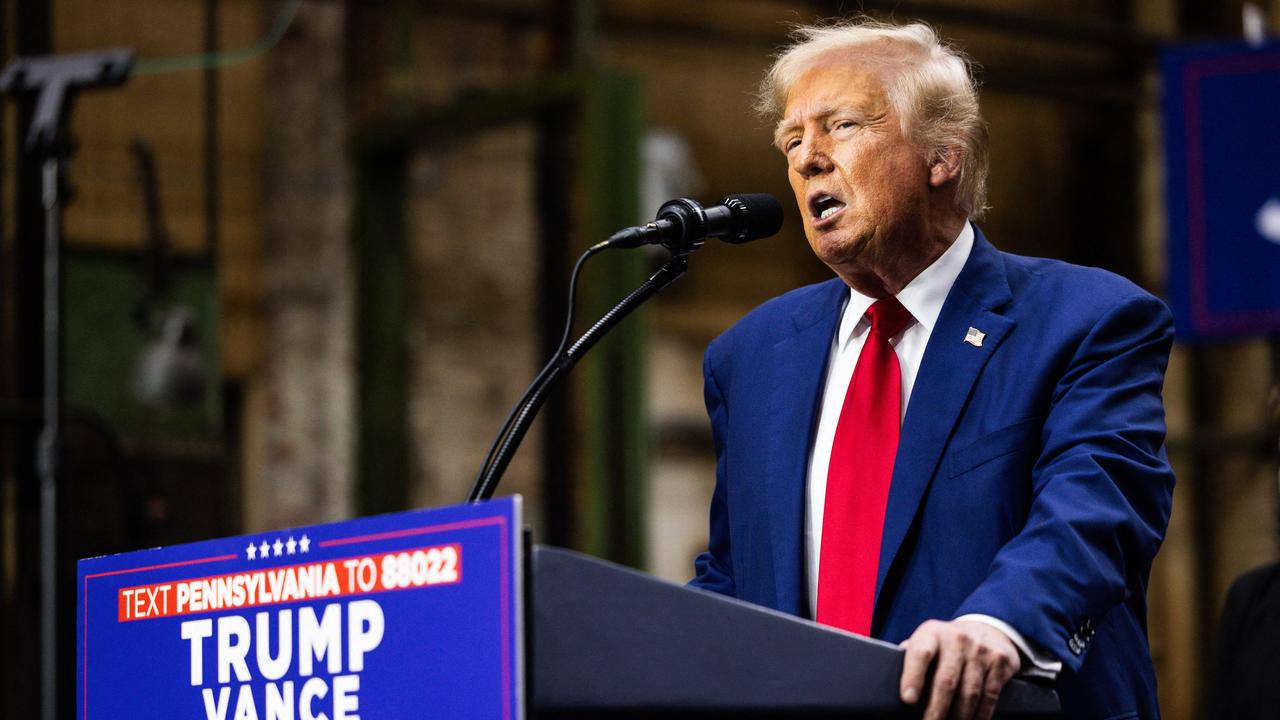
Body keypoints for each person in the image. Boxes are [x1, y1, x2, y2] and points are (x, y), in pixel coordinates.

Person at [689, 19, 1175, 720]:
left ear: (941, 156)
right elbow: (734, 581)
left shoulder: (1087, 320)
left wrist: (1000, 626)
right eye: (792, 142)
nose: (806, 161)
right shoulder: (751, 355)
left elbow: (1096, 513)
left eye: (842, 126)